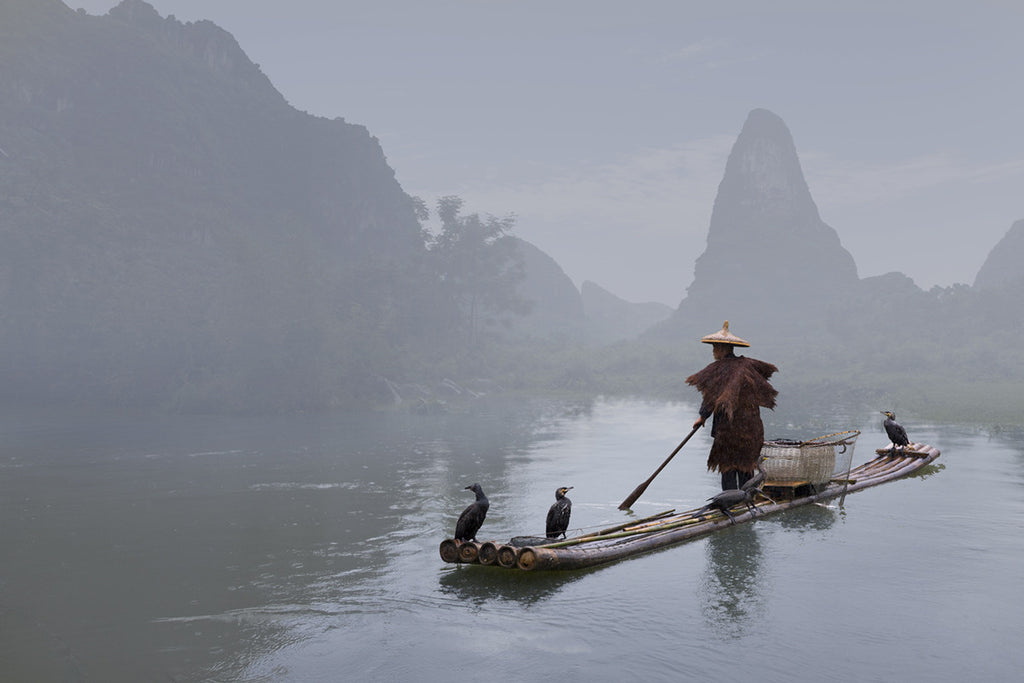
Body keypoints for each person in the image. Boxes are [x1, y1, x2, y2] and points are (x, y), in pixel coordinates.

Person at [687, 321, 778, 490]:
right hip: (751, 428)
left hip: (728, 430)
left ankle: (730, 503)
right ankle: (746, 501)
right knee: (746, 466)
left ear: (722, 349)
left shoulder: (718, 369)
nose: (714, 352)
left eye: (715, 348)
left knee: (728, 466)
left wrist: (702, 417)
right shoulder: (749, 365)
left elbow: (711, 397)